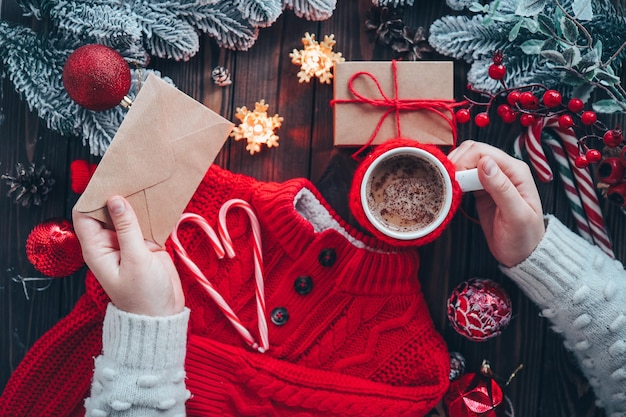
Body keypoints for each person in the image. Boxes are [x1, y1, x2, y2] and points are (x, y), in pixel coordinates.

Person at [21, 140, 626, 416]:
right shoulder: (214, 198)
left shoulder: (407, 357)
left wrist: (160, 343)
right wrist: (540, 253)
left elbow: (411, 395)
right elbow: (106, 185)